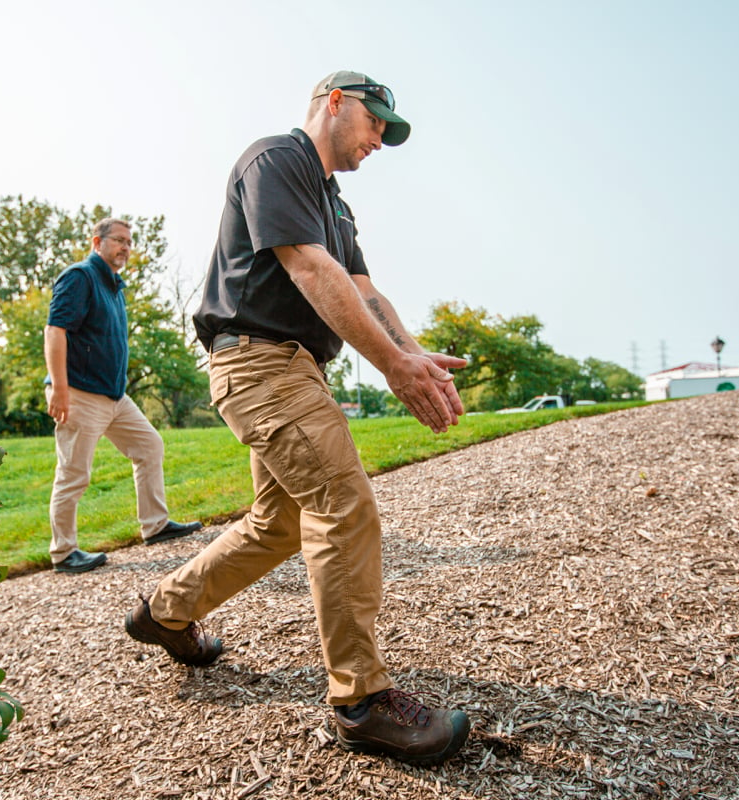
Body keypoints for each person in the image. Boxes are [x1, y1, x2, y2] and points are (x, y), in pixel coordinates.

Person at [124, 71, 472, 765]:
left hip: (291, 366)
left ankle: (164, 611)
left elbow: (361, 288)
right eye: (376, 122)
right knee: (343, 503)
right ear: (334, 102)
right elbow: (310, 270)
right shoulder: (276, 160)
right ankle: (361, 703)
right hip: (260, 362)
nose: (380, 140)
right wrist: (392, 368)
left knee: (279, 523)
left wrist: (410, 351)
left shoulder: (336, 206)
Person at [44, 217, 202, 573]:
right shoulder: (80, 277)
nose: (126, 247)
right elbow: (55, 331)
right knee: (73, 473)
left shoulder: (114, 286)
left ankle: (155, 525)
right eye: (118, 240)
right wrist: (59, 387)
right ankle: (64, 552)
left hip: (115, 397)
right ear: (96, 242)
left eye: (129, 242)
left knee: (149, 446)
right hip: (81, 394)